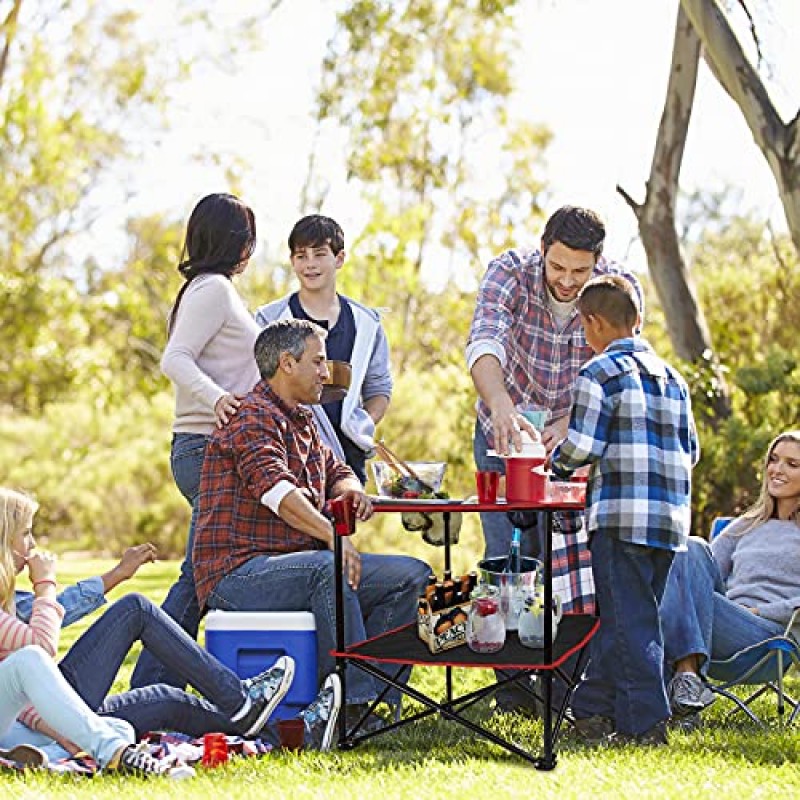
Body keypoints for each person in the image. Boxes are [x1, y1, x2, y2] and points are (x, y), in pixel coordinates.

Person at [192, 319, 431, 722]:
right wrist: (335, 540)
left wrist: (351, 489)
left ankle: (378, 699)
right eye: (318, 362)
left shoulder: (303, 419)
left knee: (412, 575)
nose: (326, 373)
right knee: (327, 567)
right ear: (287, 363)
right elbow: (279, 495)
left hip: (297, 566)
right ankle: (352, 707)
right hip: (237, 575)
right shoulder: (251, 417)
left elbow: (335, 469)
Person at [0, 488, 342, 765]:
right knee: (135, 609)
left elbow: (64, 608)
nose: (32, 545)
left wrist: (118, 573)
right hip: (37, 716)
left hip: (48, 712)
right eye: (25, 534)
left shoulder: (12, 600)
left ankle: (291, 734)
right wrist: (46, 584)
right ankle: (241, 701)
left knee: (168, 699)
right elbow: (39, 653)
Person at [466, 205, 643, 712]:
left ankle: (569, 681)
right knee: (510, 560)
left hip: (578, 441)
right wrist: (500, 404)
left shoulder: (619, 287)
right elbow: (485, 337)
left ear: (598, 263)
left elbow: (624, 367)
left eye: (579, 272)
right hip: (504, 436)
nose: (567, 281)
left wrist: (570, 426)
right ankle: (514, 686)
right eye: (558, 267)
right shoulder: (511, 273)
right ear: (542, 250)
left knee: (569, 565)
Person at [549, 275, 699, 745]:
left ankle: (645, 726)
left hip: (620, 519)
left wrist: (551, 462)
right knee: (628, 617)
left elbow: (584, 447)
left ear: (592, 323)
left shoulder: (597, 374)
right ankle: (592, 709)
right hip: (670, 520)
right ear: (637, 319)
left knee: (630, 623)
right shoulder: (673, 377)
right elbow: (690, 450)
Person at [132, 193, 262, 690]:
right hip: (206, 448)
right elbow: (175, 359)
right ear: (237, 241)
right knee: (198, 578)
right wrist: (219, 400)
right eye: (248, 236)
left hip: (209, 449)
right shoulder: (213, 290)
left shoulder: (211, 291)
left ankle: (154, 689)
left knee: (200, 574)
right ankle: (149, 692)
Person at [660, 430, 800, 725]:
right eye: (773, 460)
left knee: (676, 595)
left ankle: (684, 681)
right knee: (692, 546)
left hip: (771, 634)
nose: (777, 469)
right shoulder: (744, 526)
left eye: (792, 464)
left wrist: (760, 611)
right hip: (720, 626)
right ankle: (688, 680)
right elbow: (695, 570)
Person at [254, 214, 392, 484]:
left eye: (319, 254)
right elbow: (255, 384)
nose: (310, 264)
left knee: (335, 528)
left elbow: (379, 387)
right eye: (301, 256)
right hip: (286, 453)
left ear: (339, 259)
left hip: (347, 460)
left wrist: (362, 424)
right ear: (292, 261)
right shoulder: (268, 319)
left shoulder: (366, 323)